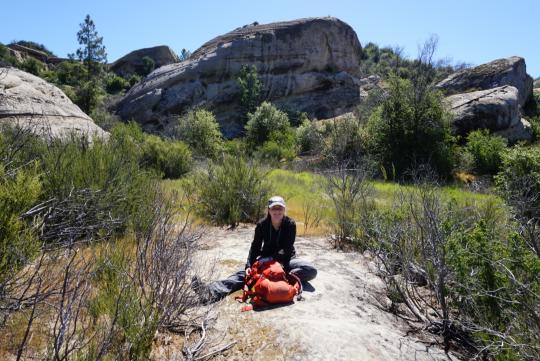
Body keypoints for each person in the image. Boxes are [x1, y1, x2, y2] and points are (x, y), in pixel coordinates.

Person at [191, 195, 317, 304]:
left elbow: (287, 249)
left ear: (284, 210)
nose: (277, 211)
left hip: (287, 260)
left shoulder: (290, 224)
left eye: (280, 208)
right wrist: (249, 265)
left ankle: (282, 277)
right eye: (274, 208)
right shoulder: (262, 225)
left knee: (310, 270)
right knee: (244, 275)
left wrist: (276, 263)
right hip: (265, 260)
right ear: (269, 210)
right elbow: (255, 247)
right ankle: (210, 292)